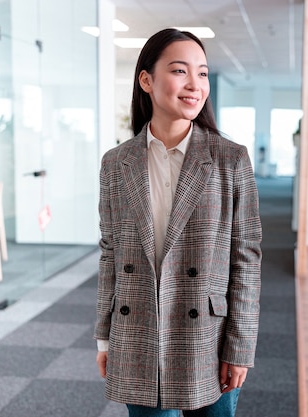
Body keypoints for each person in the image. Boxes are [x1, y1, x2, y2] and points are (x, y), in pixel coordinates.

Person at [94, 28, 262, 417]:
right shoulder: (116, 163)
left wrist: (240, 349)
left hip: (209, 336)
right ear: (147, 80)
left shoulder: (230, 159)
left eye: (202, 73)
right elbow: (110, 255)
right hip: (138, 332)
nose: (194, 84)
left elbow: (247, 260)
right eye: (180, 71)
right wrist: (105, 338)